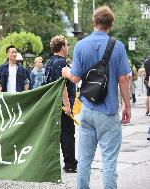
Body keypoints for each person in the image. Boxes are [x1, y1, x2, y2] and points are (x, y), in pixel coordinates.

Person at [62, 6, 131, 189]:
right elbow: (123, 79)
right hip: (108, 112)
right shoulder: (118, 46)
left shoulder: (81, 45)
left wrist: (66, 72)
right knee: (109, 162)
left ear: (94, 23)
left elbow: (75, 78)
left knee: (84, 161)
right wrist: (127, 106)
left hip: (87, 110)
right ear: (111, 25)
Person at [45, 35, 77, 173]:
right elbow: (62, 86)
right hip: (63, 105)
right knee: (68, 134)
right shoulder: (60, 63)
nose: (68, 47)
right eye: (67, 45)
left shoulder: (50, 62)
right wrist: (68, 107)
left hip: (54, 104)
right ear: (62, 47)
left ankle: (59, 163)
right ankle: (70, 164)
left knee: (58, 135)